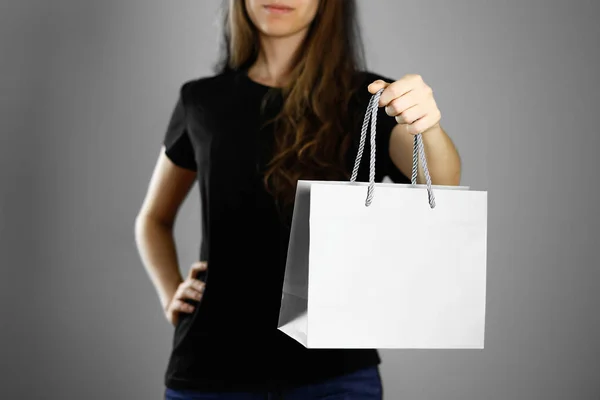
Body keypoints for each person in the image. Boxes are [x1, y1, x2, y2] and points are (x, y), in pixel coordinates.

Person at [134, 0, 461, 398]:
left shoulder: (373, 98)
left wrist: (428, 124)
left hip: (334, 375)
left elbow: (440, 185)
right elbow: (153, 220)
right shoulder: (202, 101)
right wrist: (170, 291)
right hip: (209, 371)